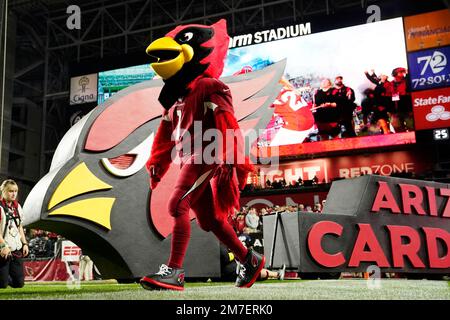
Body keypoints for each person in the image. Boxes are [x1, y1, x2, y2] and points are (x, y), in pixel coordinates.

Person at [140, 20, 264, 291]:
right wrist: (157, 164)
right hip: (189, 158)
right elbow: (164, 137)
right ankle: (248, 259)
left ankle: (174, 271)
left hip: (206, 155)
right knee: (210, 220)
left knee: (176, 205)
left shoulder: (209, 86)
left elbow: (228, 122)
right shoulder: (175, 97)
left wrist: (230, 159)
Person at [0, 179, 29, 289]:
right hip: (3, 249)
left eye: (15, 191)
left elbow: (19, 226)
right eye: (10, 191)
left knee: (19, 283)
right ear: (3, 191)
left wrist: (24, 243)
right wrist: (3, 245)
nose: (14, 194)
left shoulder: (17, 207)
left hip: (15, 249)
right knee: (2, 285)